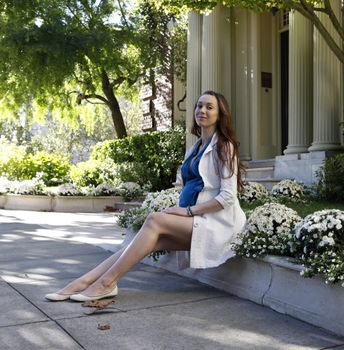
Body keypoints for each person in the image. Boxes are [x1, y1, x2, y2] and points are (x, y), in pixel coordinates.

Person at [45, 90, 246, 302]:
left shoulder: (225, 147)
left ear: (220, 115)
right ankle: (84, 282)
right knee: (143, 242)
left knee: (154, 220)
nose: (202, 110)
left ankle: (106, 283)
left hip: (218, 224)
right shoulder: (195, 148)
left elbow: (227, 197)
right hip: (194, 220)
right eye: (199, 106)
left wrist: (186, 211)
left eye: (209, 107)